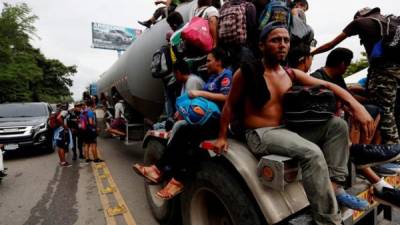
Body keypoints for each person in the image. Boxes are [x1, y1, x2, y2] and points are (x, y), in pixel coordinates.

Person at [213, 22, 378, 224]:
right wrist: (221, 137)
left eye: (285, 40)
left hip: (286, 130)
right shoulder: (247, 72)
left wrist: (356, 105)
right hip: (261, 133)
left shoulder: (290, 73)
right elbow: (229, 104)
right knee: (312, 153)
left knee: (337, 126)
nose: (282, 44)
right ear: (262, 45)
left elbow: (327, 84)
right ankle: (328, 220)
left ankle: (334, 185)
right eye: (275, 40)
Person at [133, 48, 232, 200]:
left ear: (218, 61)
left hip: (217, 121)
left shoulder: (226, 75)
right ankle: (158, 169)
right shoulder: (212, 78)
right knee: (181, 132)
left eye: (209, 60)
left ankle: (178, 180)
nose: (206, 63)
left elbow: (227, 98)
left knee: (190, 139)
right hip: (206, 119)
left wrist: (200, 94)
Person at [309, 47, 400, 208]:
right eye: (348, 64)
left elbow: (348, 97)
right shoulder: (317, 77)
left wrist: (362, 101)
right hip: (333, 123)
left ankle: (367, 157)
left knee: (375, 110)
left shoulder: (336, 78)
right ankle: (367, 166)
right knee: (349, 121)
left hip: (340, 122)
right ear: (342, 63)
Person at [311, 7, 400, 144]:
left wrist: (311, 53)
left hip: (383, 71)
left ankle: (393, 146)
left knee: (384, 108)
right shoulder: (386, 22)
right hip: (394, 69)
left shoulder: (360, 23)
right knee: (382, 105)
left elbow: (331, 44)